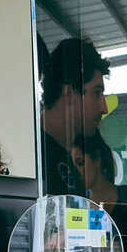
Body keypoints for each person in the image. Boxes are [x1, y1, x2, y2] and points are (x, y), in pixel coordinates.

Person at [41, 38, 110, 195]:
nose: (104, 108)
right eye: (97, 93)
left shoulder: (73, 156)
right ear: (70, 94)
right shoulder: (33, 156)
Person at [71, 134, 127, 246]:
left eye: (80, 163)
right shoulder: (79, 204)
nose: (77, 172)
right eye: (74, 166)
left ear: (97, 159)